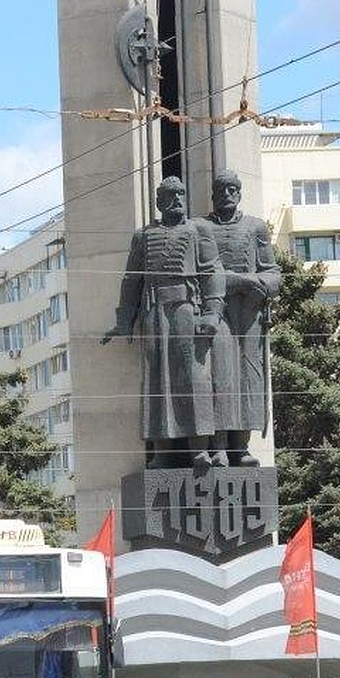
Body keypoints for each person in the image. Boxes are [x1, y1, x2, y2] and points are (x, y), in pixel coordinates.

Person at [102, 175, 222, 471]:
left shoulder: (199, 230)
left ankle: (200, 450)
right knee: (157, 383)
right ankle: (163, 451)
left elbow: (212, 272)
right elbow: (132, 280)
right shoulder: (143, 236)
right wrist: (124, 321)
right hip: (154, 313)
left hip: (187, 310)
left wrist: (212, 312)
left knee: (194, 378)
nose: (177, 200)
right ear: (158, 202)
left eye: (180, 194)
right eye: (169, 195)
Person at [198, 171, 282, 467]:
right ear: (213, 194)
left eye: (233, 189)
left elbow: (273, 272)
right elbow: (205, 274)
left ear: (240, 193)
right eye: (221, 189)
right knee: (221, 375)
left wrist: (262, 285)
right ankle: (218, 445)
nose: (227, 194)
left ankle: (241, 447)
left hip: (248, 311)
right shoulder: (202, 228)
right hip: (216, 309)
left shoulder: (255, 227)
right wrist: (241, 280)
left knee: (249, 376)